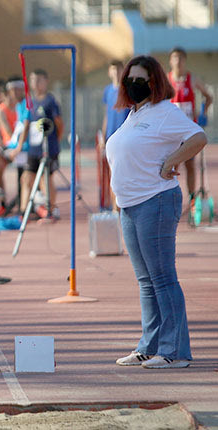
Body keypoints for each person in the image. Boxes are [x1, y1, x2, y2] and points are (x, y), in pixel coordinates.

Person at [106, 55, 206, 369]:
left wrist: (171, 160)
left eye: (140, 81)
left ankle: (175, 351)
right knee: (146, 281)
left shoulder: (163, 111)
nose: (133, 86)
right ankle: (149, 346)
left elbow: (198, 137)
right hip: (130, 206)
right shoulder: (133, 114)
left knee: (163, 278)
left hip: (156, 201)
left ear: (154, 83)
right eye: (129, 81)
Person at [167, 47, 213, 207]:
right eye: (175, 58)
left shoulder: (192, 79)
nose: (178, 62)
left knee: (190, 165)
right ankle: (172, 198)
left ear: (185, 61)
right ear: (170, 61)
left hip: (188, 130)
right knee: (172, 165)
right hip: (172, 132)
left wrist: (203, 113)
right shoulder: (167, 80)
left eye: (181, 58)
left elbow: (209, 96)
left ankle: (193, 200)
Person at [0, 78, 30, 216]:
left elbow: (20, 128)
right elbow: (3, 131)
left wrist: (17, 146)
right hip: (10, 145)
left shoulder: (21, 106)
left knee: (23, 173)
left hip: (19, 147)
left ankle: (22, 204)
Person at [21, 69, 63, 218]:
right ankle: (24, 212)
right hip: (33, 148)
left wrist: (55, 142)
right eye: (33, 80)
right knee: (27, 178)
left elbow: (59, 123)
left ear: (46, 81)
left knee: (46, 179)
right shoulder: (30, 101)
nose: (36, 84)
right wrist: (20, 146)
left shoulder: (50, 101)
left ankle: (51, 210)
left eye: (39, 80)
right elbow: (26, 124)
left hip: (48, 148)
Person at [100, 60, 129, 211]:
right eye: (113, 69)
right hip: (111, 138)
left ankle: (124, 206)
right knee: (113, 175)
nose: (116, 72)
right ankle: (114, 208)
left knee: (126, 173)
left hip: (125, 137)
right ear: (109, 72)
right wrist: (103, 135)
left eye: (118, 69)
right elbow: (107, 114)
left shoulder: (127, 90)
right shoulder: (107, 91)